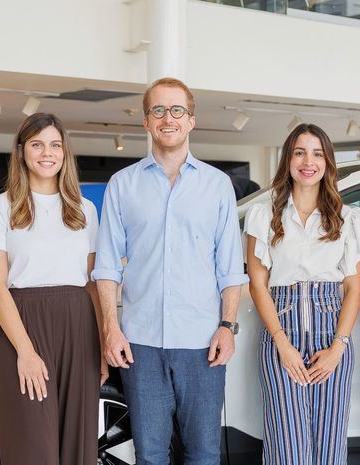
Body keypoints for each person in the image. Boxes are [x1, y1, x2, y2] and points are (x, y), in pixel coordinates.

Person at [93, 77, 248, 465]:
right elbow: (107, 267)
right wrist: (111, 329)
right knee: (149, 455)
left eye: (177, 110)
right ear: (146, 121)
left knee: (204, 454)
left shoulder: (217, 186)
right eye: (158, 110)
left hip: (203, 344)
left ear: (191, 120)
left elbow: (231, 268)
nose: (168, 118)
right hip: (141, 344)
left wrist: (227, 328)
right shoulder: (122, 185)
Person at [0, 113, 107, 465]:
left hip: (79, 329)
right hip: (23, 327)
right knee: (32, 448)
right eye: (36, 144)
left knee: (78, 446)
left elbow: (93, 285)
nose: (46, 153)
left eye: (54, 145)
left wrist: (103, 340)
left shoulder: (85, 210)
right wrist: (26, 351)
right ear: (21, 152)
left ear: (65, 153)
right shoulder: (1, 207)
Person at [245, 123, 360, 465]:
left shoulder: (348, 219)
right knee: (287, 447)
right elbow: (258, 285)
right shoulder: (264, 216)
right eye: (300, 152)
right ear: (288, 159)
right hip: (281, 337)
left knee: (329, 447)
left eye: (317, 153)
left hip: (331, 338)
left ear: (327, 162)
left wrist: (338, 348)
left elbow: (353, 288)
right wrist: (281, 343)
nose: (308, 161)